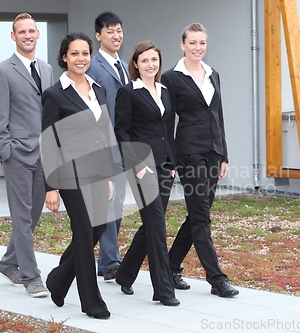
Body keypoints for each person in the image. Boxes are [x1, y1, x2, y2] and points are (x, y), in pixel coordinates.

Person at [161, 22, 239, 298]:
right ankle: (217, 279)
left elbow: (218, 115)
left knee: (199, 214)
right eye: (192, 43)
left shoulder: (212, 74)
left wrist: (224, 155)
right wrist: (168, 160)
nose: (197, 48)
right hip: (189, 153)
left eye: (202, 43)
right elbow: (167, 122)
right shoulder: (171, 77)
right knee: (201, 217)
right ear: (182, 45)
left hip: (213, 152)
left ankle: (170, 266)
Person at [41, 32, 114, 320]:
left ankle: (58, 280)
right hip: (69, 173)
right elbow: (48, 142)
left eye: (85, 53)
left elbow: (104, 136)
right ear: (64, 57)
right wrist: (50, 187)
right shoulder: (54, 95)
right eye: (74, 53)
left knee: (97, 229)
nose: (80, 58)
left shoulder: (99, 90)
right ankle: (92, 302)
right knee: (84, 231)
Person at [0, 12, 52, 298]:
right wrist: (7, 153)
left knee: (33, 215)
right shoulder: (2, 71)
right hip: (18, 156)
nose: (27, 35)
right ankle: (31, 277)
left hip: (43, 156)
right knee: (22, 218)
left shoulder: (48, 69)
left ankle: (7, 262)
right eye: (21, 31)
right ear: (13, 37)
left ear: (38, 34)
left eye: (32, 31)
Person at [114, 41, 179, 306]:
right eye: (144, 61)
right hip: (142, 168)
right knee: (158, 228)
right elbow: (122, 131)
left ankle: (125, 274)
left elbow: (168, 131)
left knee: (152, 224)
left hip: (164, 165)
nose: (150, 65)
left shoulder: (165, 91)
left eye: (154, 60)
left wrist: (173, 163)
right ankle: (163, 290)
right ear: (136, 65)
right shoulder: (128, 92)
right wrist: (136, 164)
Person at [86, 11, 129, 281]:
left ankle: (108, 259)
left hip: (125, 144)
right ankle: (110, 261)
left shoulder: (124, 66)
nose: (116, 35)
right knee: (108, 202)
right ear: (98, 35)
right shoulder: (92, 66)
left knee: (119, 203)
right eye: (110, 31)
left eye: (119, 30)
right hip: (105, 144)